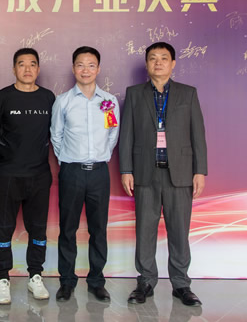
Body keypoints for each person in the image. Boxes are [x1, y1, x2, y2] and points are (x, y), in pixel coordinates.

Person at [118, 41, 207, 307]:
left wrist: (200, 171)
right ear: (147, 64)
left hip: (179, 173)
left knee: (179, 231)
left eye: (164, 58)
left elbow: (198, 134)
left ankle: (181, 284)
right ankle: (145, 281)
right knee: (145, 230)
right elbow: (126, 134)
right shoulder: (134, 94)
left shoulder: (188, 93)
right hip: (145, 172)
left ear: (173, 63)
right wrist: (126, 169)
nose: (158, 63)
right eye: (153, 58)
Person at [50, 46, 120, 302]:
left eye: (91, 65)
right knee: (67, 229)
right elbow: (56, 136)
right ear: (73, 68)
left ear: (98, 69)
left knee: (98, 229)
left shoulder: (109, 101)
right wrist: (68, 160)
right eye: (80, 65)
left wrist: (101, 156)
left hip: (99, 173)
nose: (86, 70)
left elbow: (113, 133)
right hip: (72, 172)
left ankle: (96, 281)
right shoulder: (63, 101)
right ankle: (67, 281)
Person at [0, 48, 56, 305]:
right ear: (14, 68)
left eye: (32, 64)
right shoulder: (2, 98)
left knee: (37, 228)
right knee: (3, 229)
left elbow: (54, 132)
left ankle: (35, 276)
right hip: (8, 175)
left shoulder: (48, 98)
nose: (27, 69)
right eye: (21, 64)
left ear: (38, 69)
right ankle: (2, 278)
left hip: (39, 175)